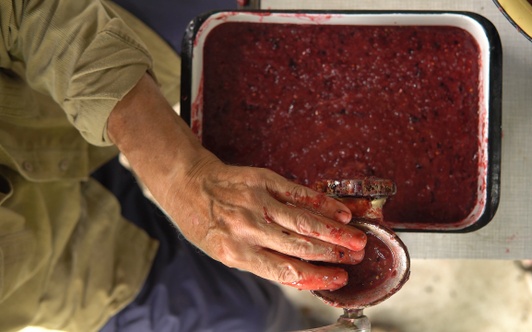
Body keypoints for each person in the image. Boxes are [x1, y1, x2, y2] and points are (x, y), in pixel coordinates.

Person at [0, 0, 367, 331]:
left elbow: (24, 11)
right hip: (66, 265)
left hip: (36, 87)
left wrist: (181, 175)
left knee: (231, 18)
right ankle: (293, 320)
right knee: (248, 315)